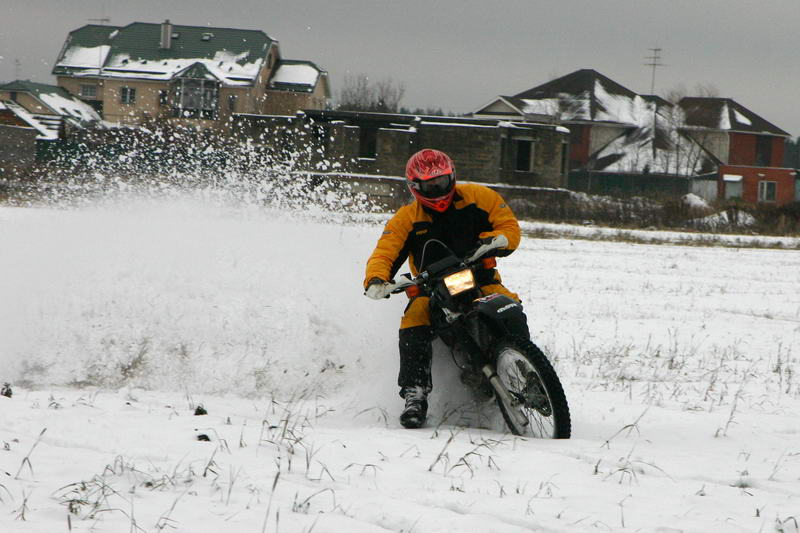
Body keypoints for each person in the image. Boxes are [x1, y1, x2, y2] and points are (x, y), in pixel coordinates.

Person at [363, 148, 531, 429]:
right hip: (431, 289)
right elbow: (384, 253)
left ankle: (527, 372)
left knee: (509, 306)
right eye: (430, 186)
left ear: (452, 177)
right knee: (414, 318)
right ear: (415, 187)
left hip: (481, 278)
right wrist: (376, 280)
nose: (438, 190)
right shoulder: (406, 218)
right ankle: (415, 393)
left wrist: (495, 240)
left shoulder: (481, 197)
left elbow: (508, 226)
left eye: (441, 182)